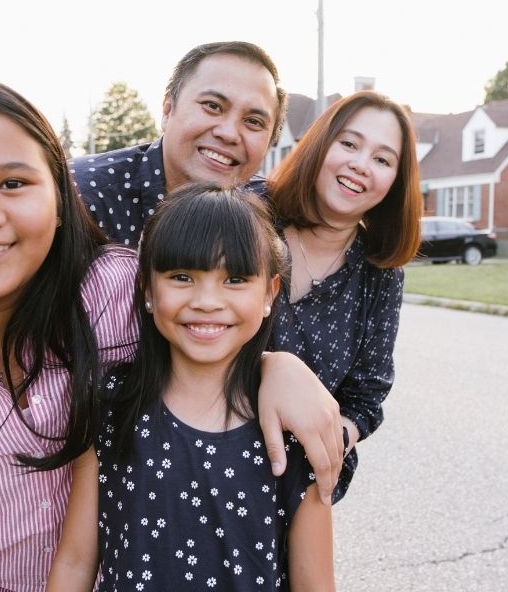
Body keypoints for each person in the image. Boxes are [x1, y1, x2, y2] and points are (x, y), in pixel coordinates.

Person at [0, 76, 341, 591]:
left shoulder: (116, 292)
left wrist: (275, 365)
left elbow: (208, 341)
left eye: (13, 183)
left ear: (61, 196)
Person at [46, 184, 335, 592]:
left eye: (234, 279)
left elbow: (317, 586)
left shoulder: (291, 426)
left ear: (269, 292)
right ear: (147, 289)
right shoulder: (109, 405)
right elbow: (76, 561)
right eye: (182, 277)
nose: (206, 300)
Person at [267, 90, 424, 503]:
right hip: (200, 453)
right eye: (349, 143)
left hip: (298, 483)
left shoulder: (381, 275)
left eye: (383, 159)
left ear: (395, 182)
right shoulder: (251, 215)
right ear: (321, 144)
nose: (360, 165)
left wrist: (331, 439)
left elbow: (367, 397)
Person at [70, 40, 286, 248]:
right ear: (167, 110)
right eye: (212, 106)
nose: (229, 133)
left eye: (253, 122)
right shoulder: (80, 195)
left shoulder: (277, 213)